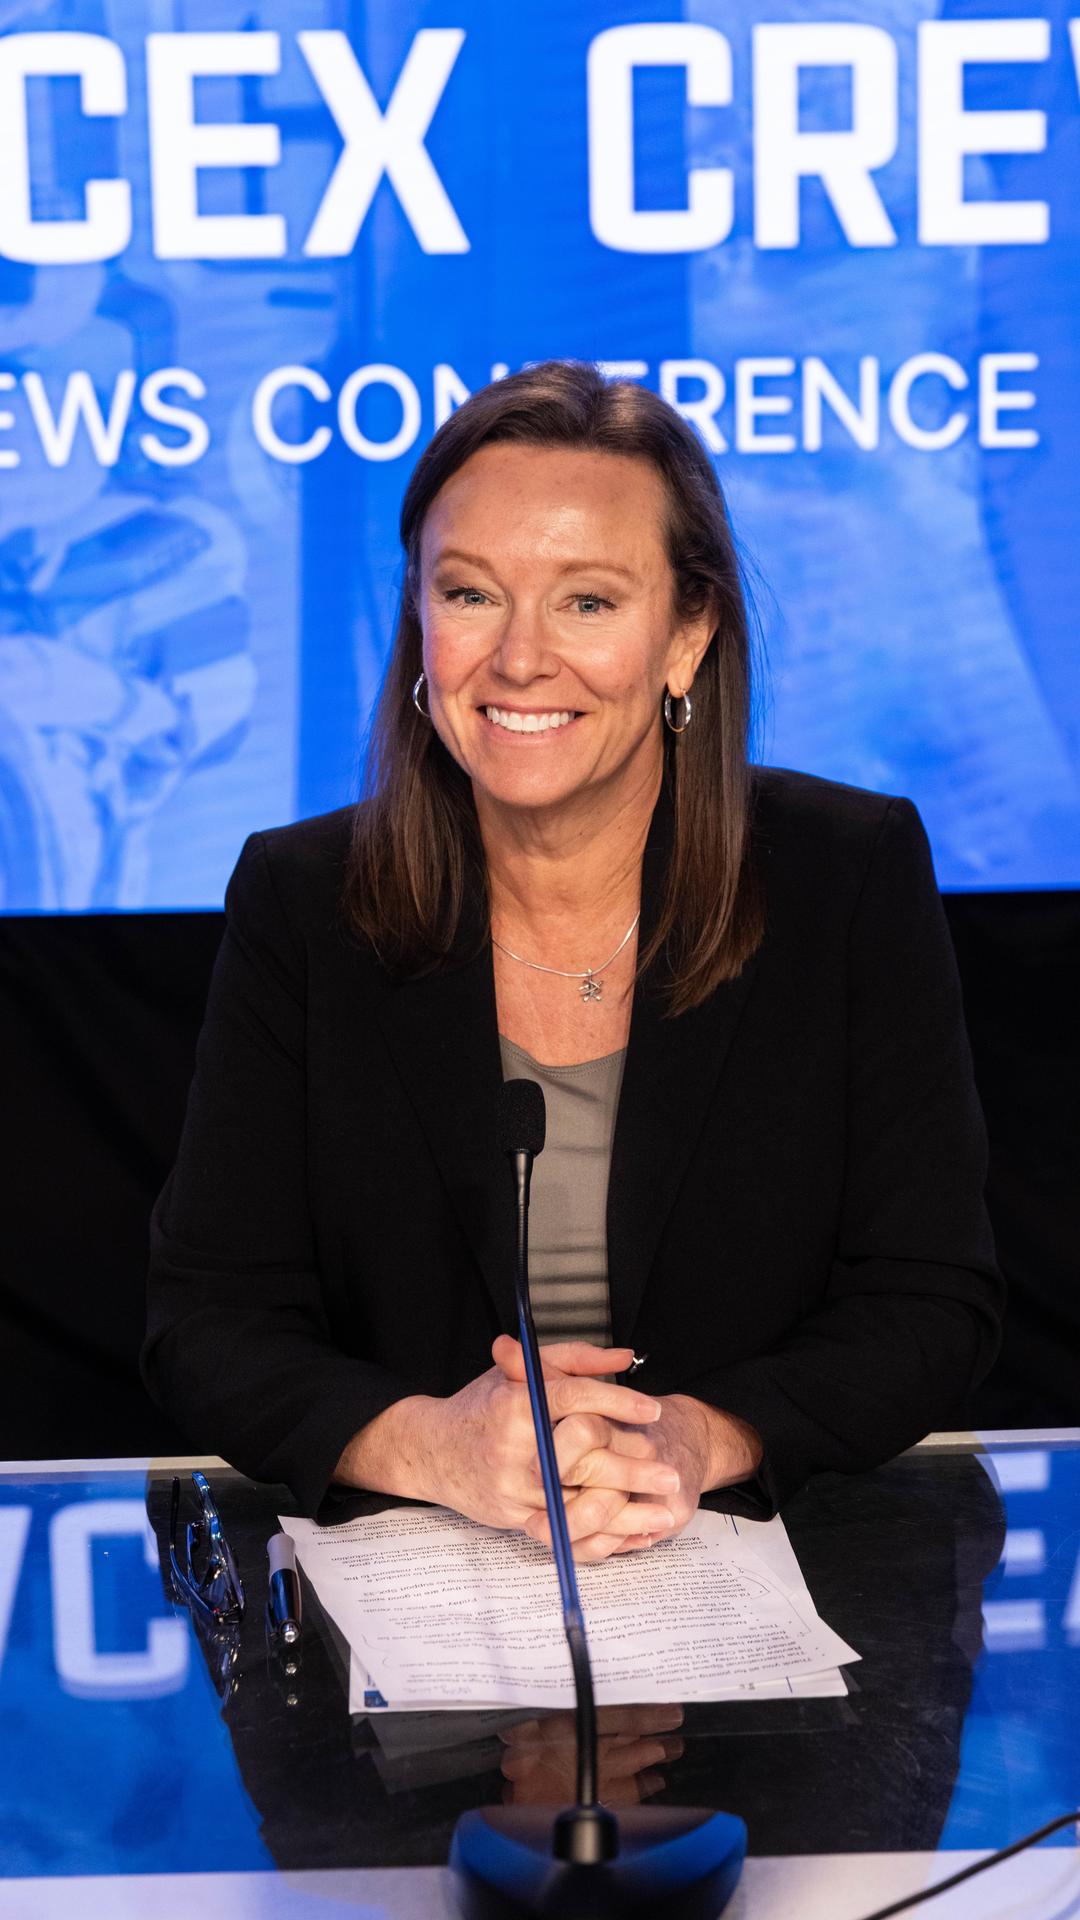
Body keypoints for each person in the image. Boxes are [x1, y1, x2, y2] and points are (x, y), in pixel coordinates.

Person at [142, 360, 1003, 1561]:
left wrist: (702, 1439)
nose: (519, 661)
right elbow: (207, 1324)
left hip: (774, 1591)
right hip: (412, 1622)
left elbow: (931, 1303)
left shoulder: (845, 876)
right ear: (419, 624)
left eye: (589, 602)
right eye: (470, 595)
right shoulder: (304, 902)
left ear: (687, 633)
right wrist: (430, 1445)